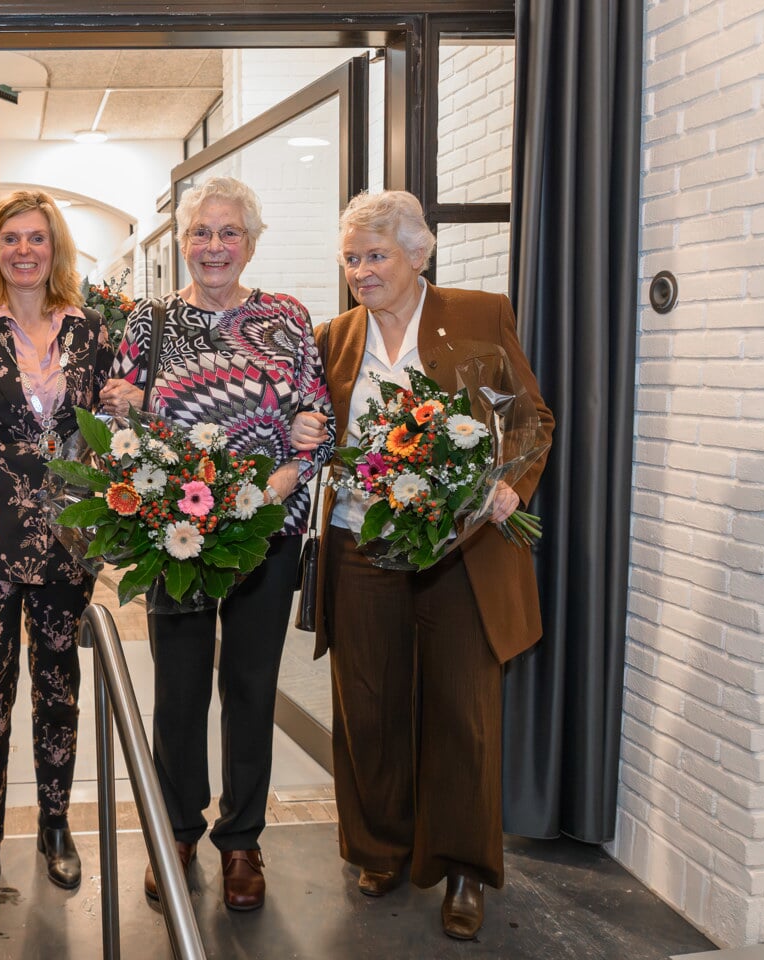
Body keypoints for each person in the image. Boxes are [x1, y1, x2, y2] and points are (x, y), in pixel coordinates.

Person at [289, 189, 555, 940]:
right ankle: (379, 848)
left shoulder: (478, 313)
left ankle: (464, 867)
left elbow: (529, 416)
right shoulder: (333, 336)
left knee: (463, 712)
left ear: (418, 253)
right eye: (351, 258)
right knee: (367, 705)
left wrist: (510, 482)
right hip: (360, 542)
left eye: (376, 255)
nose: (361, 271)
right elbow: (315, 425)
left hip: (460, 547)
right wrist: (307, 426)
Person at [98, 176, 334, 912]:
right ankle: (176, 831)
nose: (214, 246)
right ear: (182, 244)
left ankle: (242, 841)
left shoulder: (288, 318)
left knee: (250, 688)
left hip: (267, 533)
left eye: (229, 233)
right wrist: (121, 405)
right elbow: (117, 415)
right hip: (175, 536)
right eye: (202, 233)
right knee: (178, 691)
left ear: (251, 243)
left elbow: (319, 420)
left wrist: (296, 461)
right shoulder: (151, 320)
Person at [0, 191, 114, 922]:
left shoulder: (92, 330)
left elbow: (106, 429)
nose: (25, 249)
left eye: (37, 237)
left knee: (58, 689)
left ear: (54, 248)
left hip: (69, 539)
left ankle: (55, 825)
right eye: (11, 238)